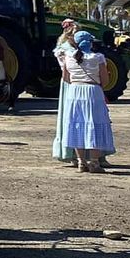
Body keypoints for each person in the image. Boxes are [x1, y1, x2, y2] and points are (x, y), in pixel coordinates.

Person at [61, 30, 115, 173]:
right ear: (90, 43)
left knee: (77, 124)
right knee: (94, 124)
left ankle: (81, 161)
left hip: (74, 91)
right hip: (93, 92)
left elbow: (65, 78)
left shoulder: (68, 57)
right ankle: (95, 162)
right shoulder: (98, 57)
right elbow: (105, 80)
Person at [49, 18, 80, 166]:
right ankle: (72, 152)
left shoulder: (68, 47)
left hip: (72, 81)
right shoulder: (66, 49)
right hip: (71, 82)